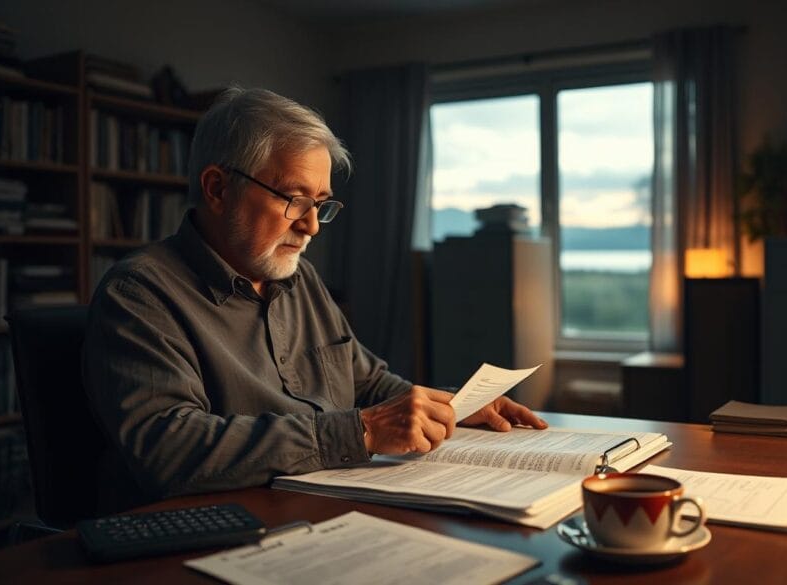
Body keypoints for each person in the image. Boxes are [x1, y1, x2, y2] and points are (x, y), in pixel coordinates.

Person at [82, 87, 547, 512]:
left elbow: (368, 383)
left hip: (325, 507)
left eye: (320, 203)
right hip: (212, 534)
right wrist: (362, 431)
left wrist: (451, 405)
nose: (311, 226)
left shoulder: (299, 279)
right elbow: (169, 448)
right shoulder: (139, 294)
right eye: (292, 199)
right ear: (218, 188)